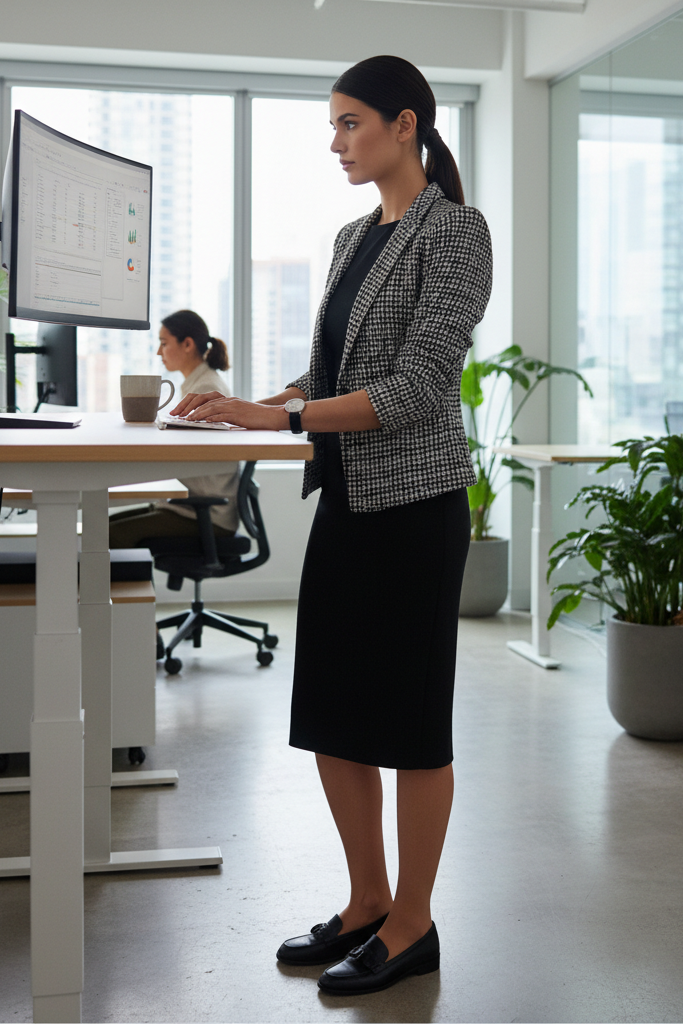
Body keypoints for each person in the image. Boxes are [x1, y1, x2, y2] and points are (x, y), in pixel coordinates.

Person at [172, 55, 492, 996]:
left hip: (418, 509)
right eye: (332, 125)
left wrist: (281, 420)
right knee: (337, 719)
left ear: (405, 125)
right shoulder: (355, 236)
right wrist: (250, 403)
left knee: (408, 724)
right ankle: (364, 903)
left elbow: (419, 387)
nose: (336, 142)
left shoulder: (457, 233)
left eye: (350, 123)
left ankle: (413, 922)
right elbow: (333, 375)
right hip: (350, 500)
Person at [109, 310, 240, 551]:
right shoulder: (199, 383)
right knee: (102, 526)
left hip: (208, 514)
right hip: (194, 505)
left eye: (164, 343)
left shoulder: (205, 388)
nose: (159, 352)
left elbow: (191, 457)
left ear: (187, 344)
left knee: (112, 534)